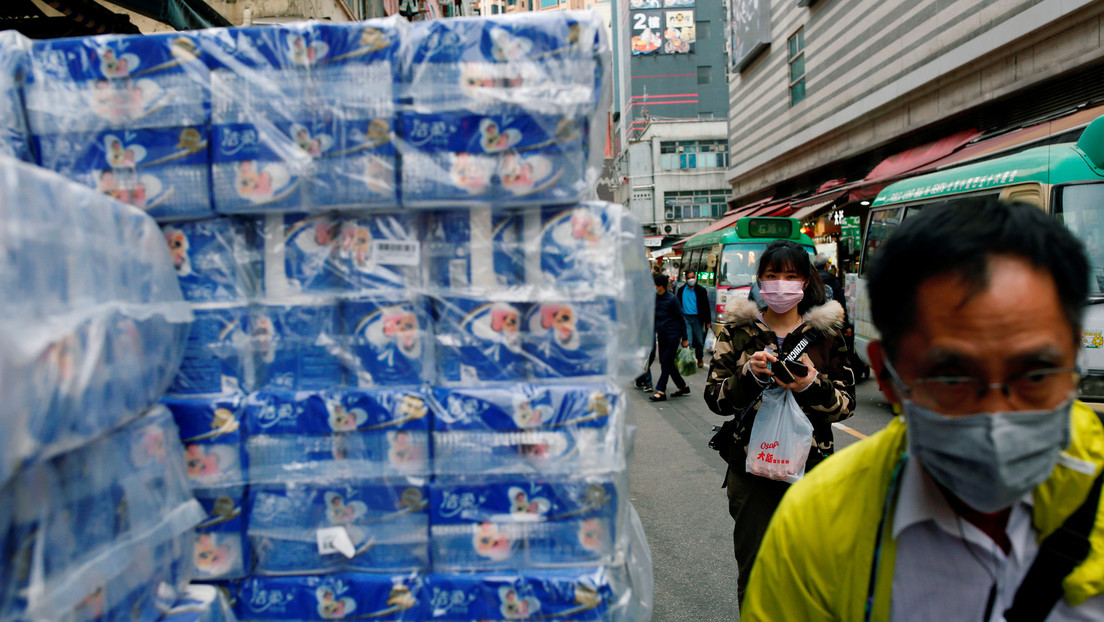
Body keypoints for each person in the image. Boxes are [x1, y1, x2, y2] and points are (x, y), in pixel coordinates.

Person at [742, 198, 1104, 620]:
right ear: (888, 375)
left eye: (1035, 375)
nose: (997, 416)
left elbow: (842, 400)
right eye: (952, 378)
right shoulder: (816, 526)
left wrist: (808, 384)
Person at [704, 240, 856, 602]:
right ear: (759, 280)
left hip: (812, 468)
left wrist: (811, 385)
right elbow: (715, 399)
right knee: (757, 570)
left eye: (790, 276)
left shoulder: (826, 334)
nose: (781, 285)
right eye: (772, 275)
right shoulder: (738, 331)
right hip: (752, 471)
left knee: (810, 573)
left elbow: (846, 405)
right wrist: (748, 375)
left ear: (805, 281)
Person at [650, 273, 690, 402]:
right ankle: (682, 386)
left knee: (666, 360)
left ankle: (661, 390)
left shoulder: (672, 299)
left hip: (673, 334)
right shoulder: (654, 298)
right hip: (661, 335)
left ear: (660, 286)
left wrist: (685, 338)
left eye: (654, 284)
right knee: (667, 362)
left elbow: (681, 319)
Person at [676, 270, 712, 367]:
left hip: (697, 319)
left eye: (693, 277)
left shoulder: (701, 290)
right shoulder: (681, 290)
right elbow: (677, 305)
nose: (691, 280)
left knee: (699, 341)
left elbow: (706, 306)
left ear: (695, 277)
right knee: (689, 341)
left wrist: (708, 321)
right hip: (685, 318)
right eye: (689, 278)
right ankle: (690, 361)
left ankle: (699, 358)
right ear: (685, 279)